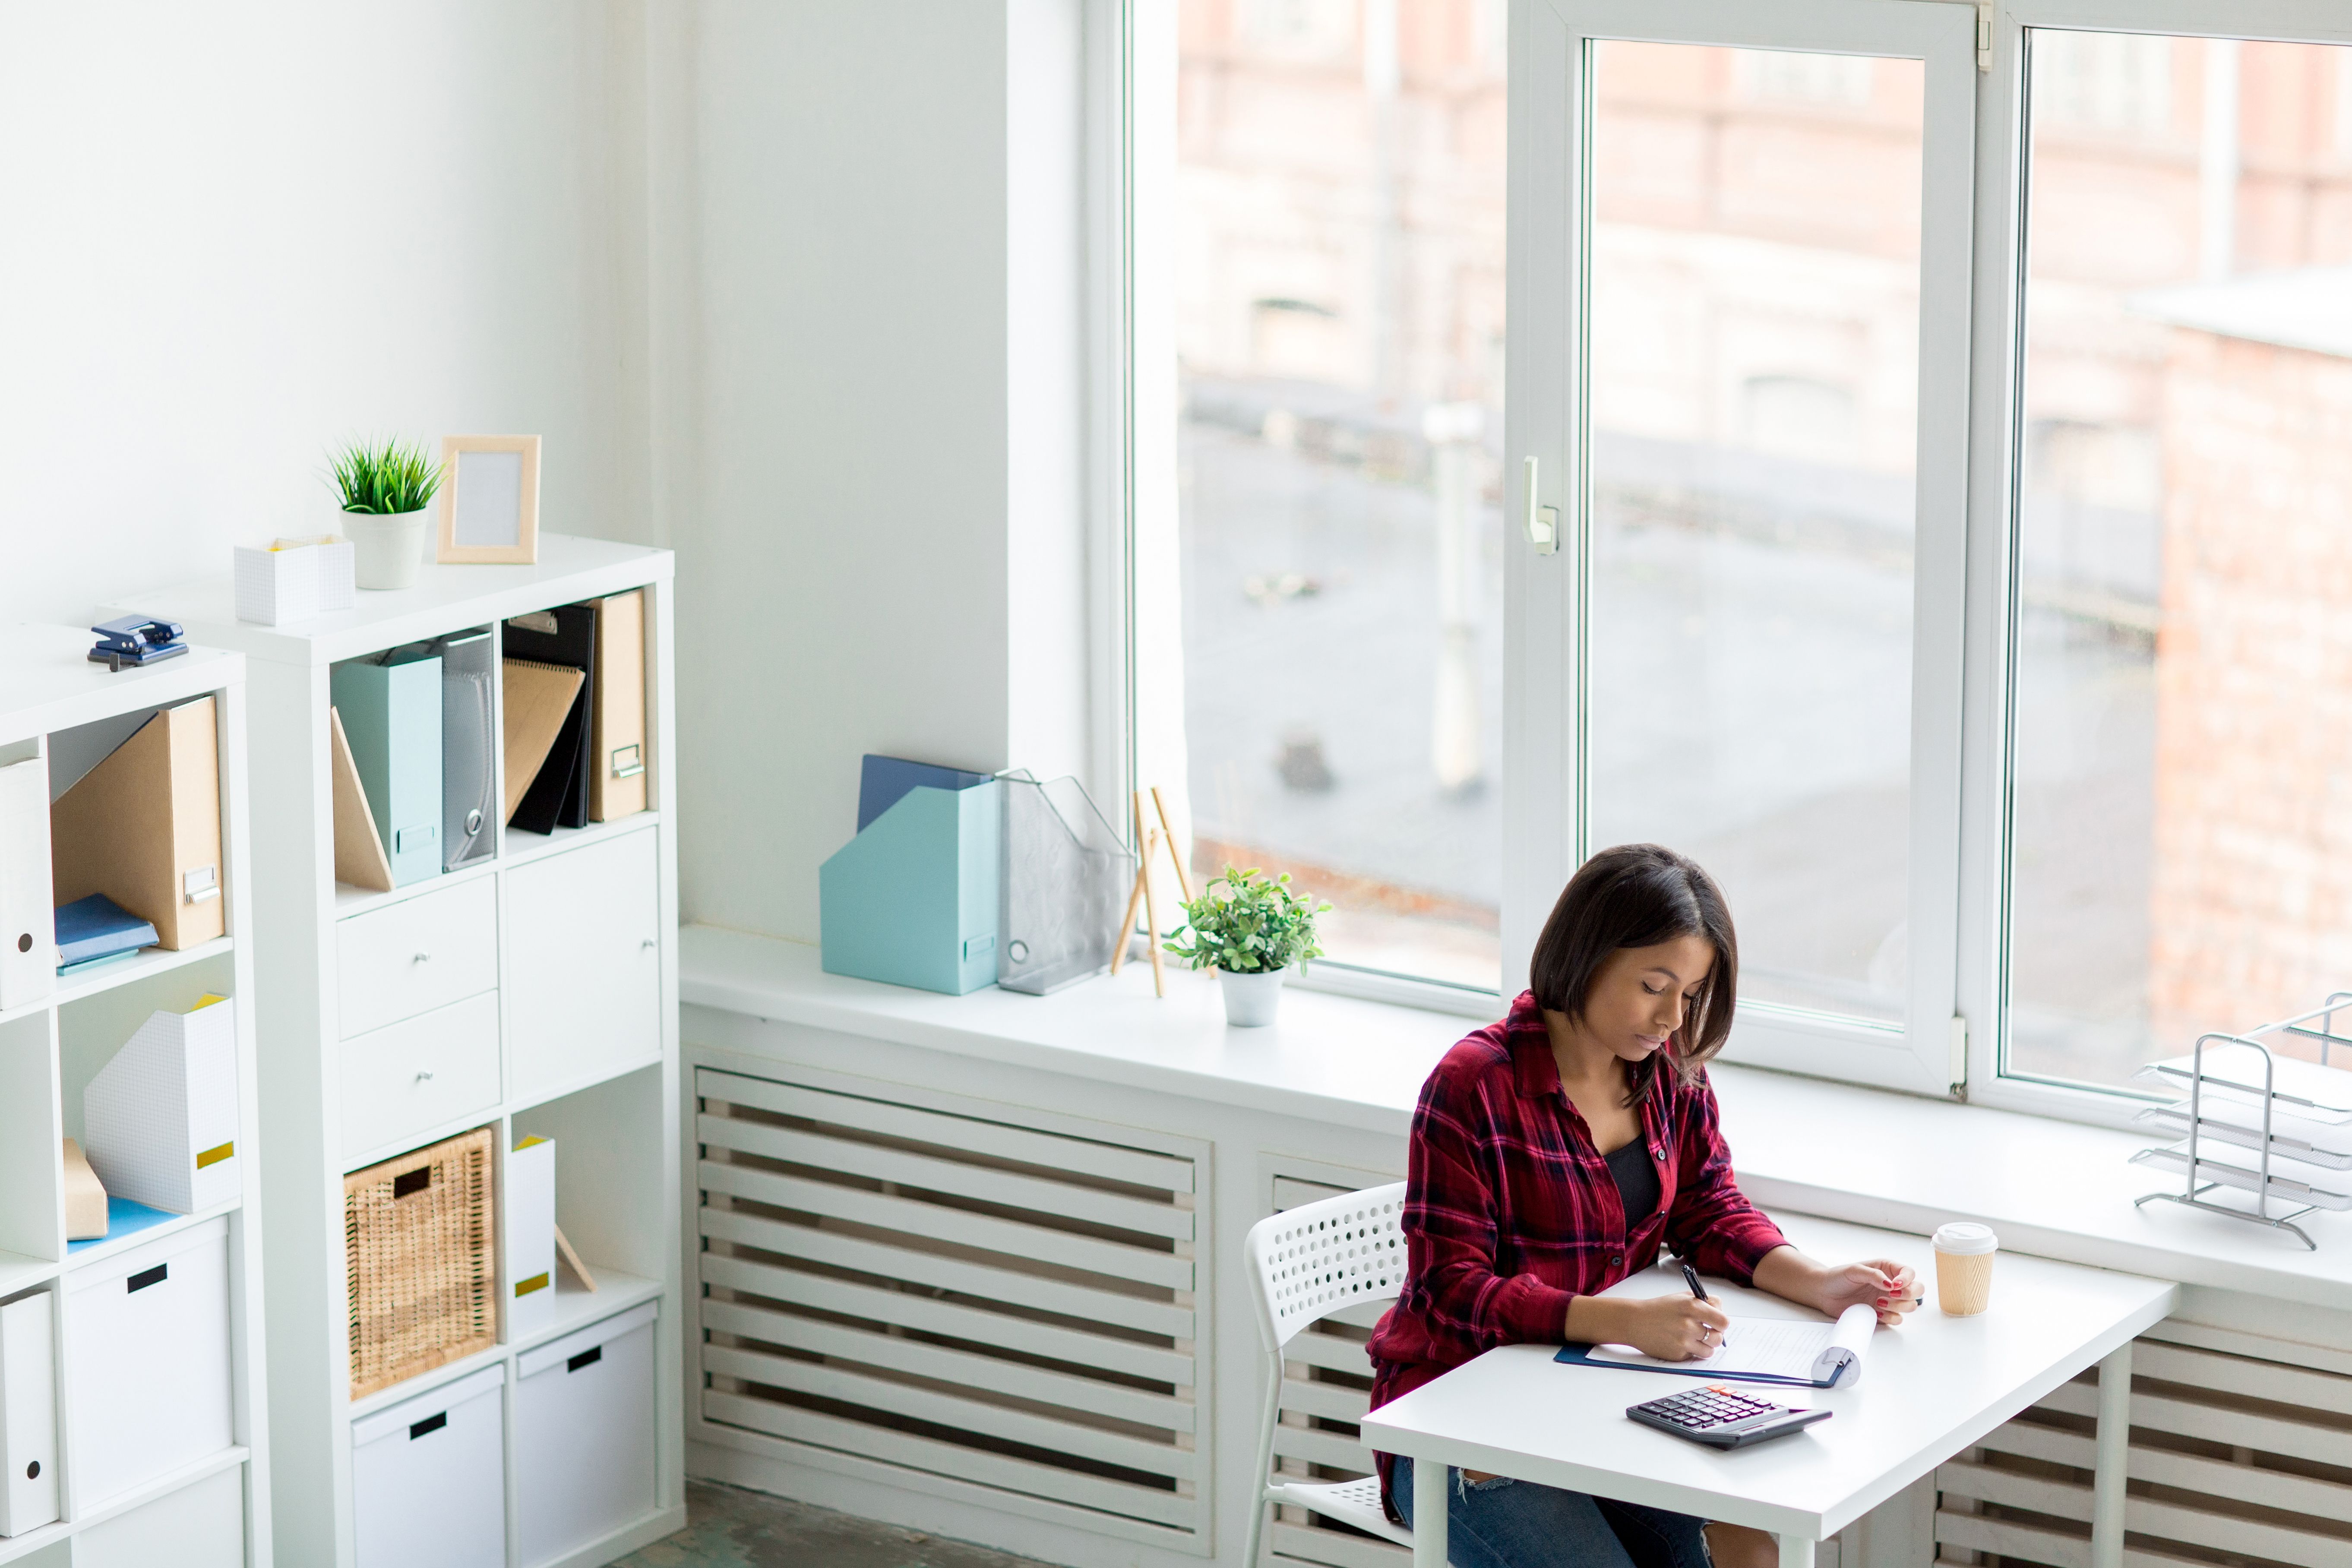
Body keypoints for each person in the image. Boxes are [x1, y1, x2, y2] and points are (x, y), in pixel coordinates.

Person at [1365, 844, 1919, 1568]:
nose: (1672, 1017)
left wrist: (1819, 1282)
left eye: (1690, 994)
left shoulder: (1668, 1078)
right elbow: (1449, 1292)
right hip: (1458, 1419)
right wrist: (1623, 1322)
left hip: (1597, 1406)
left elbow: (1710, 1209)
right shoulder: (1474, 1085)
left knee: (1751, 1551)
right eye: (1654, 986)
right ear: (1588, 956)